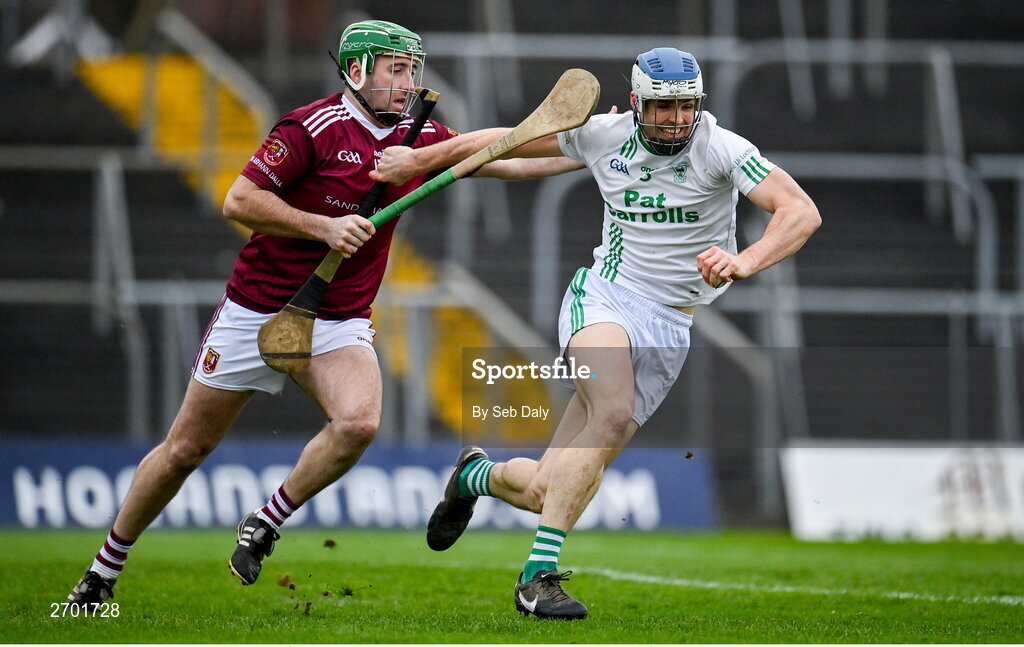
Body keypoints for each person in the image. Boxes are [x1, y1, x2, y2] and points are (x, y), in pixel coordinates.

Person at [64, 19, 505, 605]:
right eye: (395, 69)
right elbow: (239, 199)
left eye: (412, 70)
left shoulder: (416, 138)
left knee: (358, 423)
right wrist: (324, 225)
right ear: (356, 71)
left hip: (338, 319)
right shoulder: (311, 127)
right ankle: (102, 572)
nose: (407, 82)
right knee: (185, 451)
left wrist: (589, 147)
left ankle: (267, 519)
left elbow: (504, 157)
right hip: (258, 309)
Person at [371, 47, 821, 620]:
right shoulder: (605, 135)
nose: (676, 120)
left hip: (672, 325)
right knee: (611, 411)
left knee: (544, 490)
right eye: (662, 107)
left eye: (686, 107)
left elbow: (800, 211)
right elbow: (504, 145)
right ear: (636, 104)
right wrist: (419, 160)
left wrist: (746, 261)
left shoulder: (721, 148)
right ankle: (538, 579)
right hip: (605, 300)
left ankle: (473, 476)